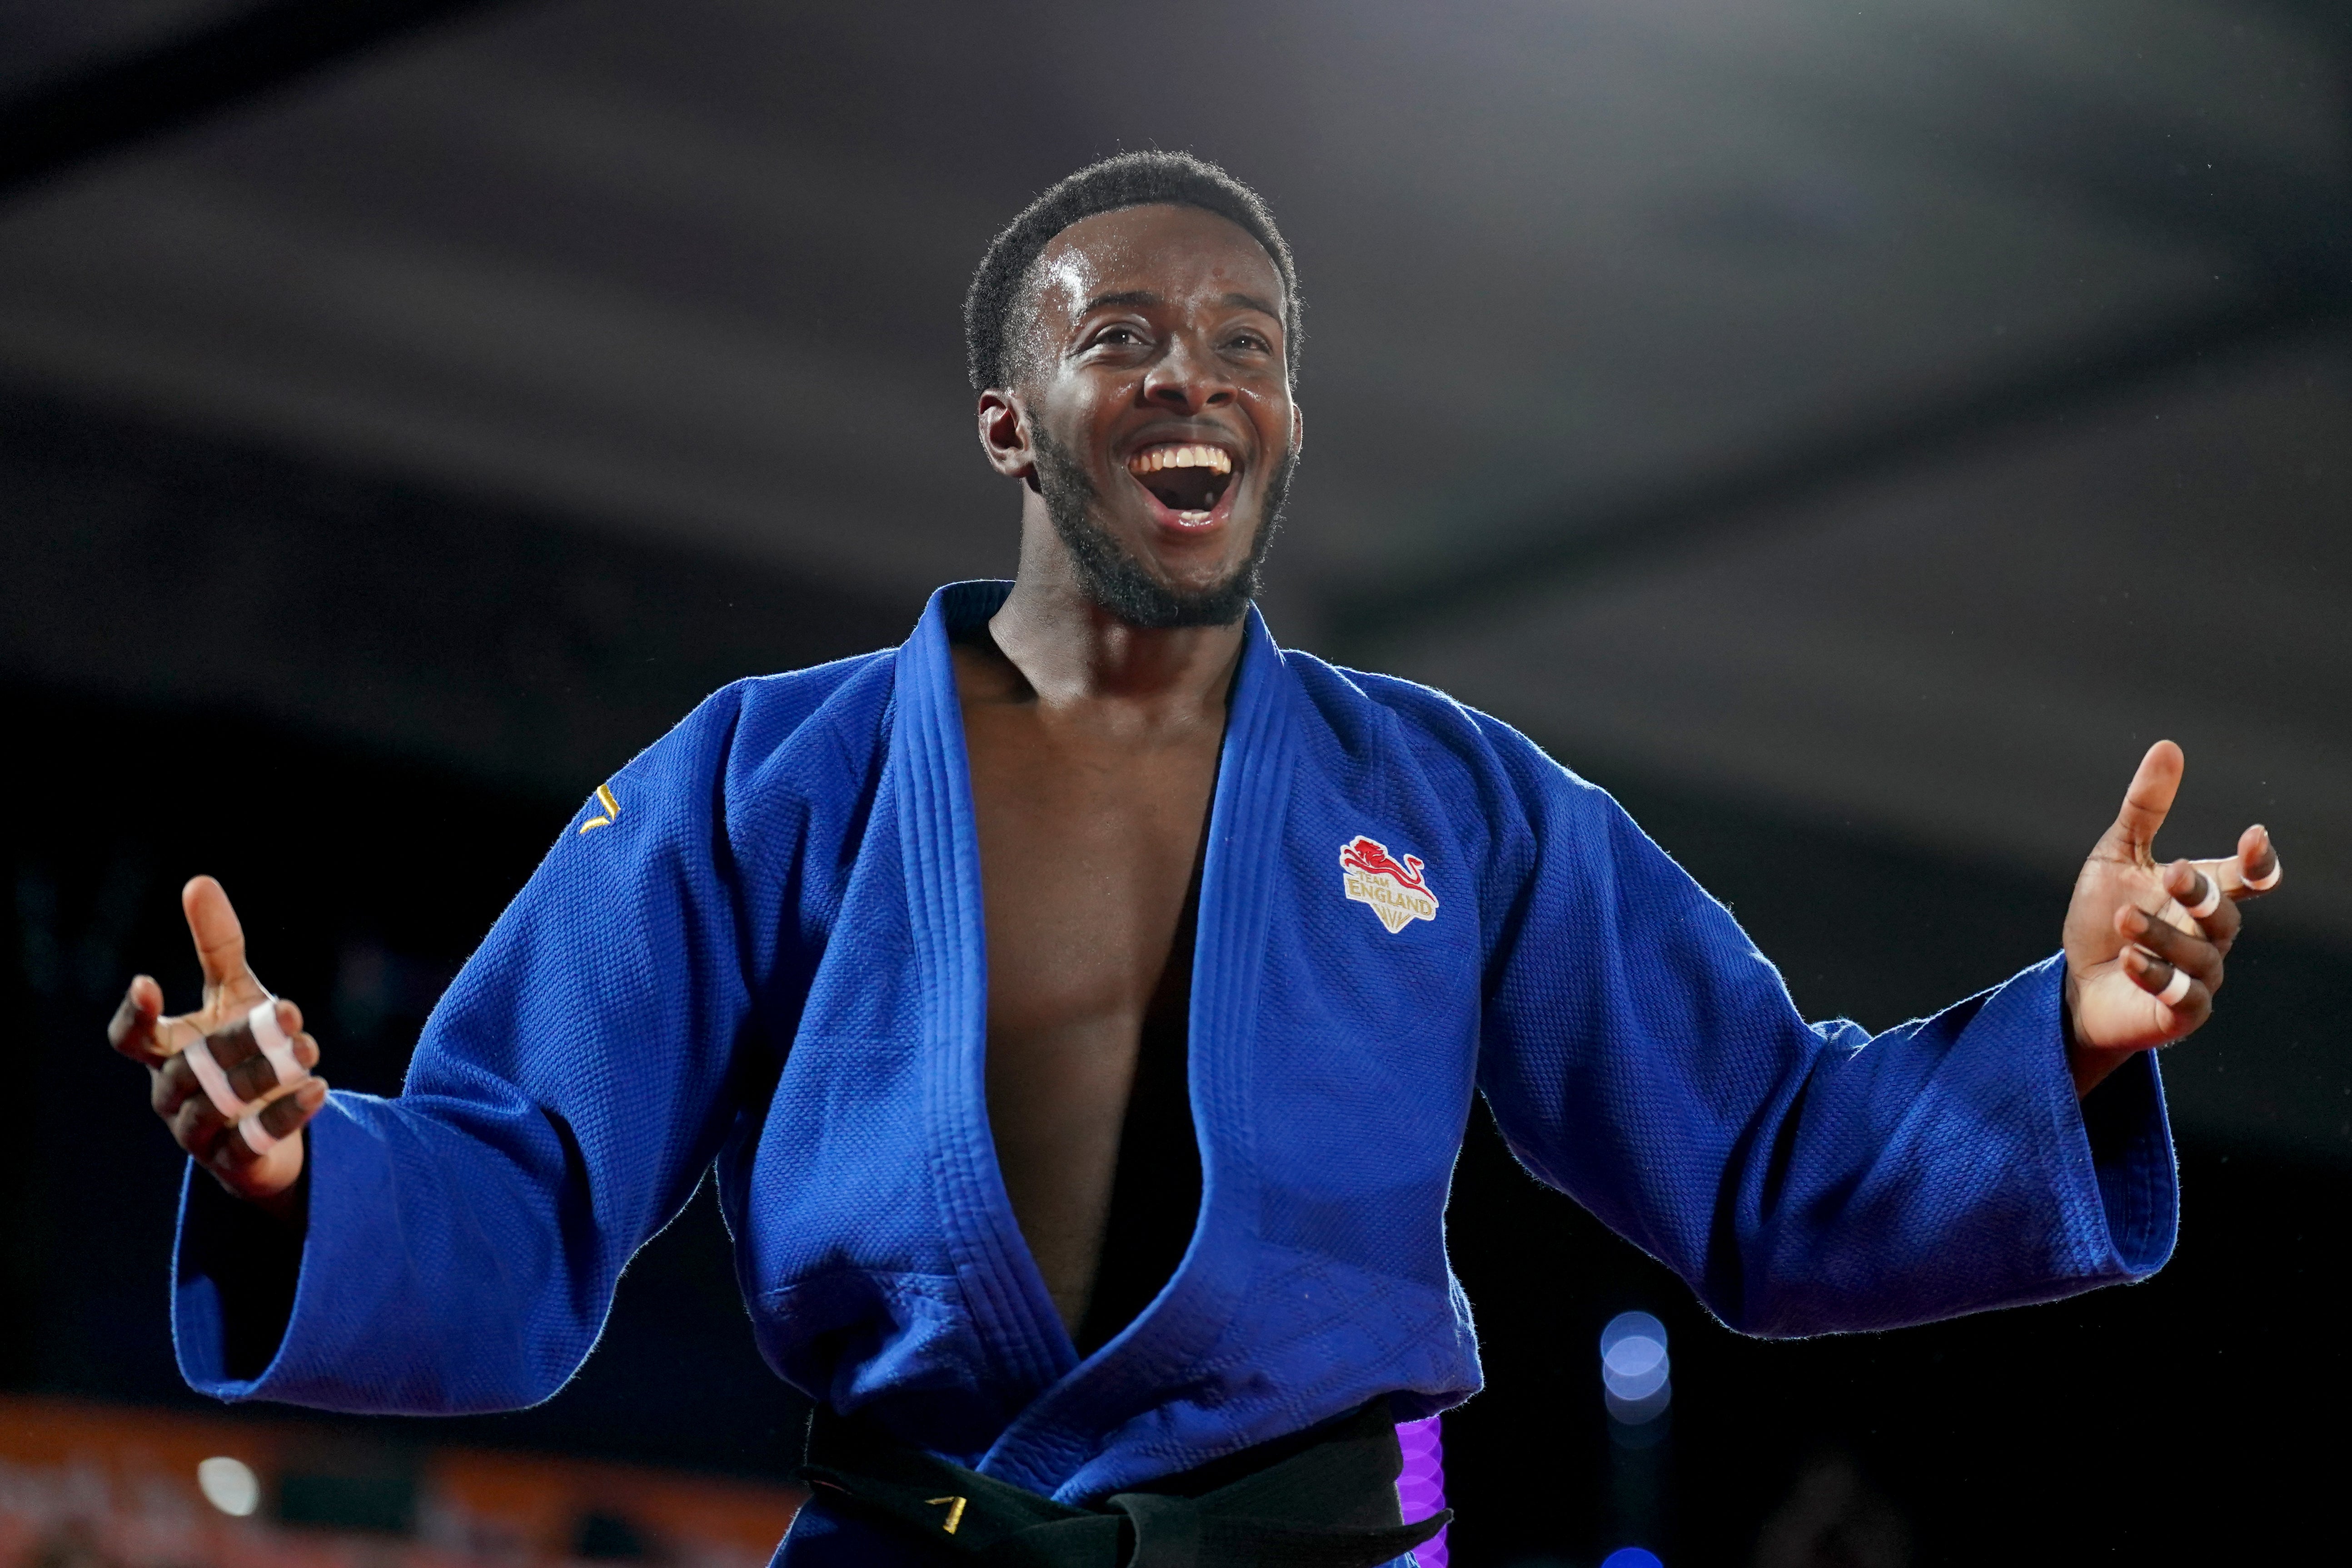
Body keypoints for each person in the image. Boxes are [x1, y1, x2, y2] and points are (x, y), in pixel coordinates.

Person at [109, 153, 2281, 1568]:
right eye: (1124, 333)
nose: (1198, 378)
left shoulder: (1453, 801)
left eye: (1248, 346)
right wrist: (298, 1168)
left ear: (1293, 426)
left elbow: (1766, 1153)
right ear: (1005, 419)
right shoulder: (765, 777)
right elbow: (523, 1178)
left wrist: (2068, 1034)